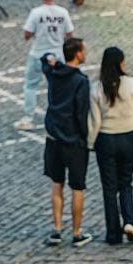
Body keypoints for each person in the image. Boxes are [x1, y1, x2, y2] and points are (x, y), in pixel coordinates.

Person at [88, 47, 133, 245]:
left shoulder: (97, 88)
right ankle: (129, 221)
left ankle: (113, 233)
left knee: (109, 187)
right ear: (121, 63)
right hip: (128, 137)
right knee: (126, 182)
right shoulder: (132, 84)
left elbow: (95, 121)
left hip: (106, 139)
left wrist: (90, 143)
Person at [41, 37, 92, 248]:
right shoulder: (81, 81)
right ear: (78, 53)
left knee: (56, 184)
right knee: (77, 187)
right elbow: (82, 112)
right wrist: (85, 136)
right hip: (74, 141)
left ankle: (57, 229)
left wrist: (51, 59)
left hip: (53, 138)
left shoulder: (54, 73)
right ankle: (77, 231)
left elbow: (44, 60)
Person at [17, 0, 74, 131]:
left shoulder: (36, 13)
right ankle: (60, 117)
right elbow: (69, 34)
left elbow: (27, 35)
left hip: (38, 54)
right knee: (58, 87)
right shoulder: (63, 12)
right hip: (58, 54)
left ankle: (28, 118)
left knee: (30, 86)